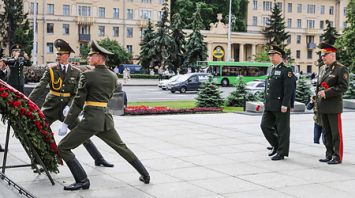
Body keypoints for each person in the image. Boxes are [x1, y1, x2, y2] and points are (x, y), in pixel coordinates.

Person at [57, 40, 150, 191]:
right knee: (121, 147)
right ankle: (145, 174)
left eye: (91, 55)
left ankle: (82, 181)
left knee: (63, 148)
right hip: (105, 119)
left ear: (99, 57)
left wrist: (66, 122)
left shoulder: (87, 75)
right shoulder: (113, 76)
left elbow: (79, 102)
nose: (88, 58)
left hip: (91, 120)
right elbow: (106, 97)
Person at [28, 39, 113, 168]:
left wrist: (69, 106)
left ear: (67, 55)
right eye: (57, 54)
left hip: (67, 108)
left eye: (61, 54)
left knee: (83, 134)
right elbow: (39, 88)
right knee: (40, 132)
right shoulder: (51, 70)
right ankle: (37, 161)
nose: (58, 57)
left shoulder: (76, 72)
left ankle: (98, 158)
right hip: (51, 107)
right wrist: (28, 101)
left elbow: (76, 93)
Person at [317, 42, 349, 165]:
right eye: (322, 55)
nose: (322, 57)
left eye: (325, 55)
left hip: (333, 106)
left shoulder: (341, 69)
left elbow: (343, 87)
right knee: (326, 133)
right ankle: (329, 154)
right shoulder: (322, 68)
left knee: (336, 133)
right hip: (323, 105)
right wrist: (316, 96)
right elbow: (319, 86)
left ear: (333, 55)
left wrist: (327, 92)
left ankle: (337, 156)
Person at [260, 45, 293, 161]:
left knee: (282, 130)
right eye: (270, 55)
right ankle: (276, 145)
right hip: (269, 104)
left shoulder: (286, 70)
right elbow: (268, 87)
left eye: (273, 55)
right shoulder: (272, 69)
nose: (271, 57)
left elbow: (288, 90)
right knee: (264, 125)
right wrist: (265, 100)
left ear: (280, 56)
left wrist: (285, 104)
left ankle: (281, 152)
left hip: (280, 105)